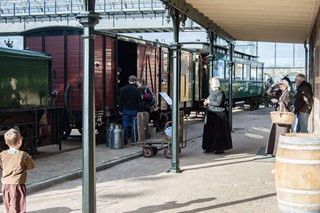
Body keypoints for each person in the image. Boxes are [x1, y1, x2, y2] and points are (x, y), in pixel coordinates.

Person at [0, 128, 35, 213]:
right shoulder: (23, 155)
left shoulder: (2, 154)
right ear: (20, 141)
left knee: (9, 203)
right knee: (18, 205)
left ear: (6, 142)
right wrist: (29, 159)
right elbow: (31, 166)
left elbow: (1, 166)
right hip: (17, 184)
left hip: (5, 184)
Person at [202, 77, 232, 154]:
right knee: (210, 131)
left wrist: (209, 101)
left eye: (211, 83)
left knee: (218, 132)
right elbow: (210, 101)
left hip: (219, 114)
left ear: (215, 84)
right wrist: (206, 102)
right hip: (212, 113)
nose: (211, 85)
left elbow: (219, 103)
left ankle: (219, 148)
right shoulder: (212, 92)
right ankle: (210, 147)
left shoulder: (220, 92)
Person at [265, 80, 291, 155]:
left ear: (286, 86)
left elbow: (286, 103)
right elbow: (268, 93)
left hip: (284, 115)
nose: (280, 86)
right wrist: (273, 85)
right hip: (277, 114)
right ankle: (274, 150)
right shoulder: (279, 92)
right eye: (279, 85)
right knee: (275, 131)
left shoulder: (288, 94)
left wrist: (277, 102)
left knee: (282, 131)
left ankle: (282, 150)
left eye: (282, 85)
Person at [119, 75, 143, 145]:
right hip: (135, 111)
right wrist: (141, 111)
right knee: (134, 126)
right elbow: (140, 102)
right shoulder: (137, 90)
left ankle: (124, 141)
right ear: (135, 81)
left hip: (125, 110)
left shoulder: (123, 89)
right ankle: (133, 141)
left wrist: (120, 110)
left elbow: (121, 101)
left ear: (129, 81)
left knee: (125, 126)